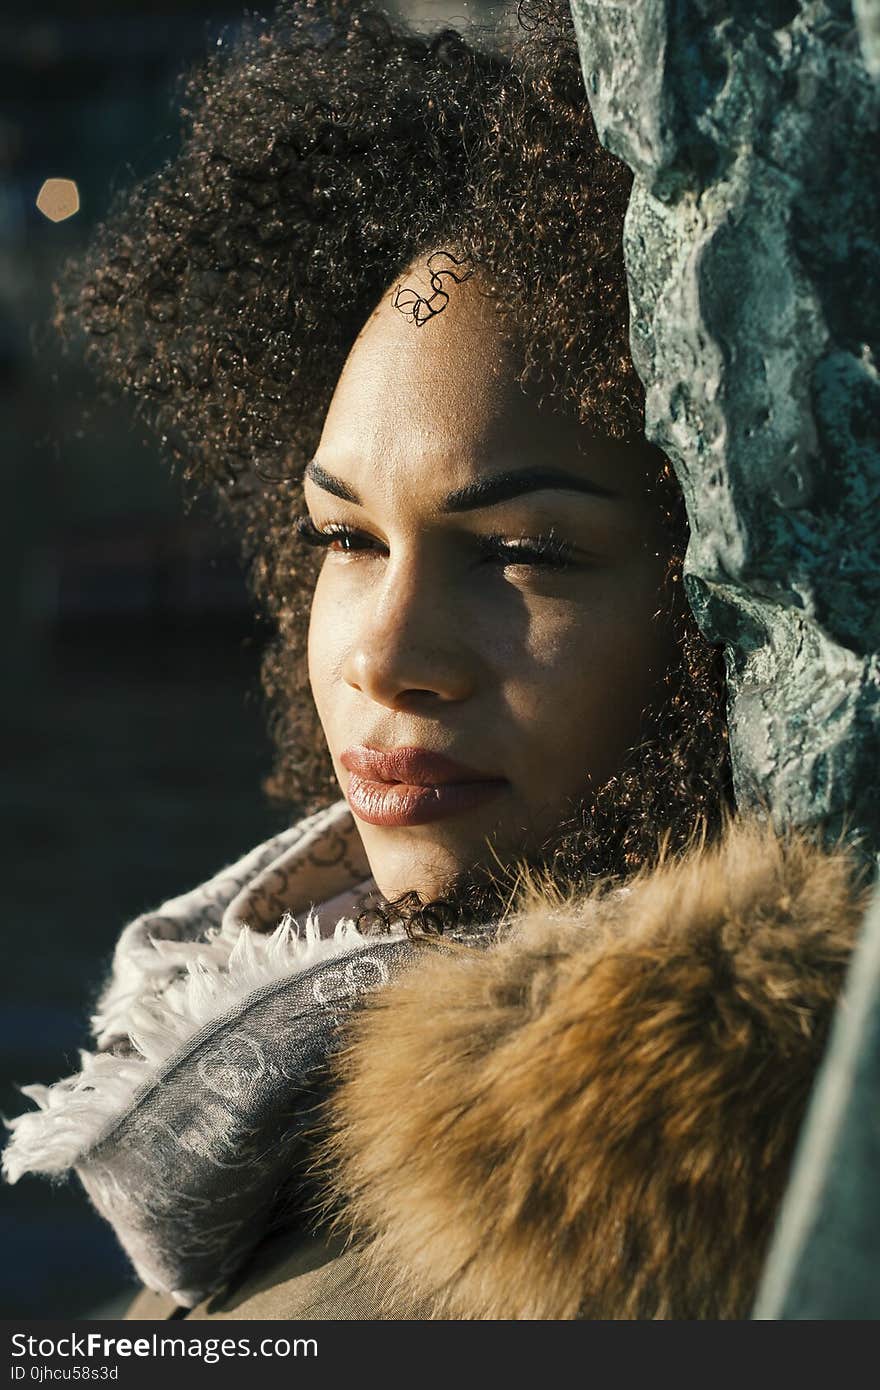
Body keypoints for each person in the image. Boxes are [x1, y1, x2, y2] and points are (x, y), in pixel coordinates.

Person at [2, 0, 866, 1320]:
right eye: (345, 535)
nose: (386, 656)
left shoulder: (614, 1227)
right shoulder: (257, 1068)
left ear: (722, 594)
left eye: (522, 550)